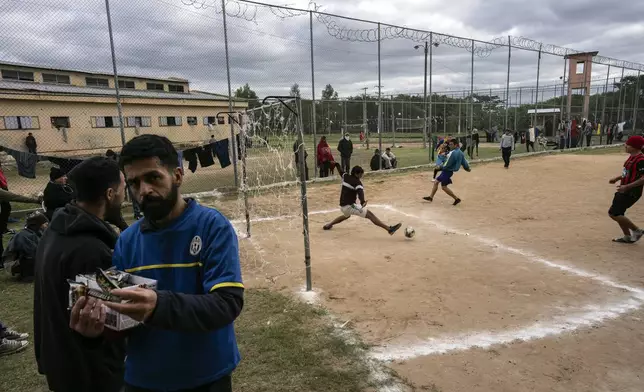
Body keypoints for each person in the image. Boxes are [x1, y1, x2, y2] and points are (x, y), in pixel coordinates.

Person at [72, 134, 244, 392]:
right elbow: (121, 317)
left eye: (153, 177)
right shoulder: (127, 241)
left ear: (177, 175)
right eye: (134, 183)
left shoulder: (212, 226)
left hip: (206, 376)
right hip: (143, 379)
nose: (144, 191)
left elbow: (227, 303)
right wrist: (95, 330)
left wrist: (159, 305)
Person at [34, 157, 127, 392]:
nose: (125, 197)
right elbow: (113, 320)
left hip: (61, 362)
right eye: (124, 189)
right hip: (88, 373)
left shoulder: (59, 229)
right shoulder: (90, 250)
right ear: (109, 194)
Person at [323, 162, 402, 235]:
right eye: (361, 174)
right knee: (370, 215)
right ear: (356, 174)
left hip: (343, 206)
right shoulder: (357, 182)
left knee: (346, 216)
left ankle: (329, 225)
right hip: (349, 206)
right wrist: (362, 202)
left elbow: (340, 170)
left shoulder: (345, 176)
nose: (361, 176)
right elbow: (360, 193)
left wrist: (336, 164)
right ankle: (389, 229)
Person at [607, 135, 644, 243]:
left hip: (631, 192)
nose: (625, 145)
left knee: (614, 213)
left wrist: (627, 186)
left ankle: (636, 230)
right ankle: (627, 236)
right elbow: (627, 172)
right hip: (624, 190)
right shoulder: (631, 158)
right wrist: (617, 178)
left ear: (635, 147)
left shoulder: (641, 159)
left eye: (628, 144)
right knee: (619, 213)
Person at [423, 138, 471, 205]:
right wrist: (467, 168)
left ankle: (456, 199)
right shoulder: (460, 152)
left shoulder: (453, 153)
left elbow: (447, 163)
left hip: (447, 171)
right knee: (436, 182)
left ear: (456, 145)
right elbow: (464, 162)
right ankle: (431, 197)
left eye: (451, 145)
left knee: (444, 187)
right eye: (449, 144)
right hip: (447, 171)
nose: (450, 146)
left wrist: (440, 167)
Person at [2, 211, 48, 280]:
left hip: (22, 258)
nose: (46, 225)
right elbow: (31, 252)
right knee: (33, 257)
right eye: (44, 223)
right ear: (38, 224)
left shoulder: (36, 232)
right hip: (12, 263)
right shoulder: (23, 235)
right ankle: (26, 275)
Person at [107, 149, 141, 224]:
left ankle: (137, 213)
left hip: (126, 180)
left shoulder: (119, 160)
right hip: (121, 181)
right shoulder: (112, 161)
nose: (109, 159)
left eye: (110, 157)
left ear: (112, 155)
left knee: (133, 196)